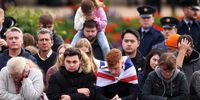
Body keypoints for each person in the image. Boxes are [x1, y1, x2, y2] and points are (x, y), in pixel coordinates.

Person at [121, 28, 145, 94]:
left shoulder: (145, 63)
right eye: (126, 41)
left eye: (132, 41)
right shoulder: (115, 62)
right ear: (122, 42)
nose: (129, 44)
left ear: (138, 43)